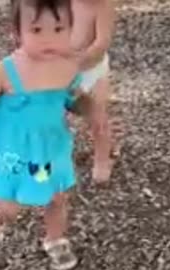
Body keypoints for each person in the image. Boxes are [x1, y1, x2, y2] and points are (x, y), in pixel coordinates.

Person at [0, 0, 82, 269]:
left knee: (55, 196)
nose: (49, 39)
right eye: (36, 30)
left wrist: (91, 109)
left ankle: (55, 239)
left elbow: (74, 102)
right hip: (15, 151)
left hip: (47, 150)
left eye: (59, 29)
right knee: (8, 206)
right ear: (16, 32)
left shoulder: (69, 68)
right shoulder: (5, 71)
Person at [69, 0, 116, 184]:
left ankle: (102, 158)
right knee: (53, 112)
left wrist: (77, 62)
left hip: (92, 71)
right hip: (63, 69)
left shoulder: (102, 6)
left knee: (98, 117)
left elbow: (101, 44)